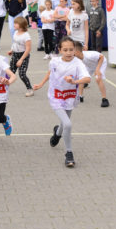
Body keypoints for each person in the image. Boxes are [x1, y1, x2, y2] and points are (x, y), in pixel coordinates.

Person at [33, 37, 91, 168]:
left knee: (64, 123)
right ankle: (69, 153)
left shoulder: (78, 63)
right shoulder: (54, 62)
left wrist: (74, 82)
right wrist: (41, 84)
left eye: (71, 49)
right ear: (60, 50)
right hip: (56, 96)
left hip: (70, 97)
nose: (69, 52)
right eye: (65, 50)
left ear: (75, 50)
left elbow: (87, 79)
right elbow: (50, 73)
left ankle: (57, 133)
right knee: (68, 124)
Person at [73, 41, 109, 107]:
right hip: (90, 65)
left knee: (98, 78)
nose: (70, 52)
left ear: (77, 51)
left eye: (72, 50)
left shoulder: (89, 55)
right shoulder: (76, 58)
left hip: (101, 62)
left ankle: (104, 99)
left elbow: (101, 57)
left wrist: (97, 69)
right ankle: (80, 96)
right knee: (81, 77)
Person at [8, 16, 33, 97]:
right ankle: (5, 88)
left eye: (16, 23)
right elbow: (15, 43)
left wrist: (21, 60)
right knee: (10, 72)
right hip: (15, 54)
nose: (14, 24)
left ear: (21, 25)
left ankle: (30, 89)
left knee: (22, 74)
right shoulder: (15, 33)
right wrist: (11, 50)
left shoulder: (26, 36)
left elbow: (28, 49)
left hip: (23, 56)